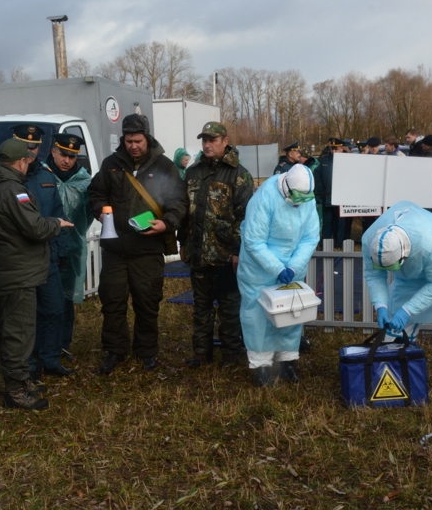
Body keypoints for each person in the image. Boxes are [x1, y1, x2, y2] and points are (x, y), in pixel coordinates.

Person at [0, 138, 70, 410]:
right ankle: (17, 390)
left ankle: (17, 380)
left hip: (2, 272)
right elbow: (35, 228)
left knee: (7, 329)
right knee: (20, 332)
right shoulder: (14, 191)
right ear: (21, 162)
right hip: (19, 273)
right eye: (28, 161)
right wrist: (57, 223)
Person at [88, 114, 187, 374]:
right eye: (129, 140)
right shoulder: (111, 164)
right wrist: (99, 209)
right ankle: (115, 350)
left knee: (147, 301)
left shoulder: (165, 166)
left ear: (147, 138)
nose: (133, 145)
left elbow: (179, 200)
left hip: (147, 248)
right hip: (115, 249)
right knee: (113, 301)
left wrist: (167, 223)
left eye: (138, 140)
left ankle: (147, 352)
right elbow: (96, 192)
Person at [362, 201, 432, 399]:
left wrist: (408, 310)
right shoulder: (370, 238)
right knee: (398, 308)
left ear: (403, 255)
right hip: (410, 269)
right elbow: (373, 274)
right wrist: (381, 306)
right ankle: (396, 366)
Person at [178, 121, 254, 368]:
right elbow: (185, 211)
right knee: (201, 306)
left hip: (224, 255)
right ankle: (201, 353)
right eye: (204, 140)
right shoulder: (193, 172)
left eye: (212, 140)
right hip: (199, 252)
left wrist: (237, 251)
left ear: (225, 141)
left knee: (229, 306)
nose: (207, 145)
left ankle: (231, 353)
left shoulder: (239, 175)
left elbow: (244, 217)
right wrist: (183, 241)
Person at [238, 164, 320, 386]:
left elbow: (310, 237)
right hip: (259, 268)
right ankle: (261, 365)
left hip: (292, 267)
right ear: (286, 187)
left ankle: (287, 361)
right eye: (295, 198)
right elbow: (254, 241)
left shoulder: (307, 198)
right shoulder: (264, 198)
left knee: (292, 312)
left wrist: (293, 266)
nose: (299, 203)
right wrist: (276, 267)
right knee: (257, 313)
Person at [24, 130, 72, 380]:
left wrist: (62, 249)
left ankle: (50, 358)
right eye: (25, 147)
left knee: (54, 309)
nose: (31, 153)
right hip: (24, 258)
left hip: (49, 254)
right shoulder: (9, 178)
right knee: (28, 315)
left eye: (35, 148)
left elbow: (58, 213)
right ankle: (30, 364)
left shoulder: (46, 176)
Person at [50, 133, 94, 364]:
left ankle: (63, 345)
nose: (67, 160)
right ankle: (46, 346)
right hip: (45, 246)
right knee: (46, 299)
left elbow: (88, 214)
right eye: (63, 154)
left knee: (67, 300)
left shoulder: (84, 181)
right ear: (53, 151)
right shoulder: (41, 176)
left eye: (72, 155)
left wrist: (75, 235)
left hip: (72, 246)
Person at [314, 137, 347, 246]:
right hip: (327, 197)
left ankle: (338, 243)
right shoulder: (325, 160)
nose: (333, 151)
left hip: (342, 198)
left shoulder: (348, 160)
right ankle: (326, 243)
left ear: (342, 148)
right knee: (327, 222)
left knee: (340, 223)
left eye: (336, 149)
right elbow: (317, 175)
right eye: (332, 148)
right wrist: (321, 191)